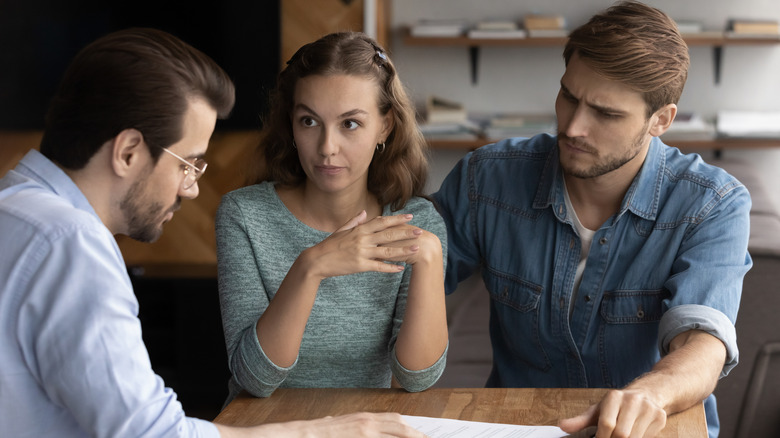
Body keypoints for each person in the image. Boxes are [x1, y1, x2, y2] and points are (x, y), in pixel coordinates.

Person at [0, 28, 425, 438]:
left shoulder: (14, 206)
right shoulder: (70, 246)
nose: (192, 186)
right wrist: (321, 432)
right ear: (128, 152)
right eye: (187, 163)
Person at [433, 2, 750, 438]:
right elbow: (396, 288)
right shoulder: (486, 180)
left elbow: (703, 340)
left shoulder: (713, 203)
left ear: (660, 120)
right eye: (569, 96)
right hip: (519, 427)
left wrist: (651, 394)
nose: (574, 126)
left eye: (605, 113)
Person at [215, 31, 448, 403]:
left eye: (350, 124)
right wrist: (312, 266)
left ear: (385, 127)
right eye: (309, 121)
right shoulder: (244, 215)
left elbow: (417, 378)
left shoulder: (416, 224)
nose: (326, 148)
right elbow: (255, 380)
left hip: (365, 427)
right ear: (291, 123)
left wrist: (431, 258)